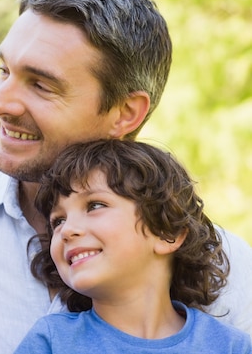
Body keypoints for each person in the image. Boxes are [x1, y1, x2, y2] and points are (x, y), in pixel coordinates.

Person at [0, 0, 252, 353]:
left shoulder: (230, 272)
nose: (1, 103)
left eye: (41, 85)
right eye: (4, 71)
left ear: (125, 113)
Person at [13, 139, 251, 353]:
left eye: (95, 206)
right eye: (58, 221)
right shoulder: (52, 340)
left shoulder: (230, 346)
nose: (66, 230)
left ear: (167, 233)